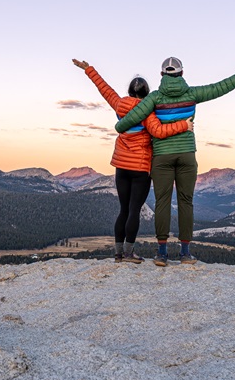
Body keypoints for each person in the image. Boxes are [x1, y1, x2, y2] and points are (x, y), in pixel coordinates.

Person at [115, 54, 235, 266]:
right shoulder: (192, 94)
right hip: (187, 154)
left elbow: (130, 119)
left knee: (162, 202)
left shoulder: (154, 98)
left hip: (161, 156)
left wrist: (120, 127)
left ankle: (161, 254)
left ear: (161, 74)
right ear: (182, 73)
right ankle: (185, 253)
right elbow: (222, 87)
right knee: (186, 202)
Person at [72, 59, 193, 263]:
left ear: (129, 91)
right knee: (134, 211)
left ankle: (119, 254)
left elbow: (105, 89)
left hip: (121, 167)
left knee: (124, 210)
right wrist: (184, 126)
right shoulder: (147, 111)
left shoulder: (119, 105)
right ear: (147, 93)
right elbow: (159, 131)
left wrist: (89, 70)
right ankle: (129, 253)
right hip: (140, 168)